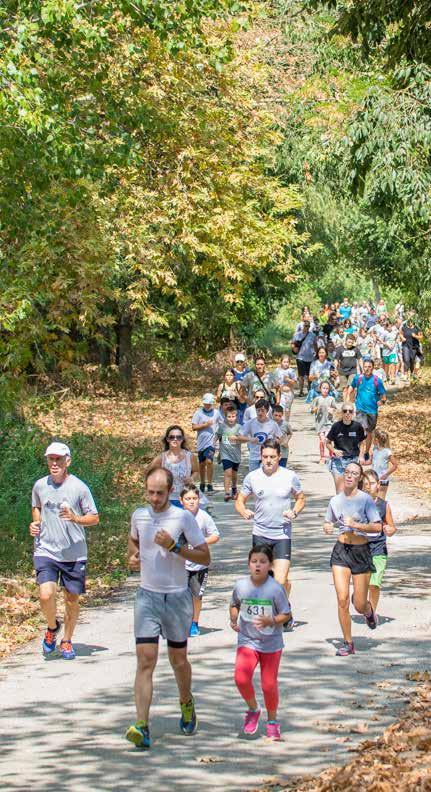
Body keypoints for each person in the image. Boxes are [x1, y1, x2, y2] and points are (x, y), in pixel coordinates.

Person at [126, 467, 210, 749]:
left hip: (176, 597)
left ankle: (186, 701)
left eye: (159, 493)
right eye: (149, 492)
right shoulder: (139, 515)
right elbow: (133, 544)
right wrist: (133, 557)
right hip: (147, 597)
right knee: (145, 660)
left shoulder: (182, 517)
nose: (154, 498)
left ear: (171, 491)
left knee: (177, 660)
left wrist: (175, 547)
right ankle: (142, 725)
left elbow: (204, 556)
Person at [29, 442, 99, 659]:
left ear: (68, 461)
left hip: (74, 553)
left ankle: (67, 640)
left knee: (71, 599)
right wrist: (35, 523)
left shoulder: (79, 487)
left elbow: (95, 517)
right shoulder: (40, 485)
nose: (55, 463)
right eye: (51, 459)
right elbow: (36, 507)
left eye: (59, 459)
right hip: (46, 550)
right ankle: (52, 628)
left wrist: (76, 518)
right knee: (45, 594)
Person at [235, 439, 305, 613]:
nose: (268, 460)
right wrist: (243, 510)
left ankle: (282, 607)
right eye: (265, 456)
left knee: (280, 581)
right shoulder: (253, 477)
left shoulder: (289, 476)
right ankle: (281, 607)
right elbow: (240, 500)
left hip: (282, 534)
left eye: (272, 457)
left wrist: (294, 512)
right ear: (260, 456)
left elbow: (301, 498)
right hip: (260, 533)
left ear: (279, 457)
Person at [230, 544, 292, 740]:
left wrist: (271, 621)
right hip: (247, 640)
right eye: (254, 562)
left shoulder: (275, 589)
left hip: (271, 643)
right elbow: (234, 604)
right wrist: (233, 619)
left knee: (268, 685)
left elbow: (286, 614)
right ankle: (253, 709)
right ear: (248, 564)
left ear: (270, 565)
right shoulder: (241, 585)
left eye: (263, 562)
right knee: (241, 678)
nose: (258, 566)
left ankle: (272, 721)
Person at [323, 462, 382, 656]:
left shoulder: (366, 500)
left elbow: (377, 527)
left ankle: (368, 611)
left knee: (358, 603)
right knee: (342, 599)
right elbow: (328, 521)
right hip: (341, 551)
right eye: (347, 472)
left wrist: (356, 524)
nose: (349, 476)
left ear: (359, 478)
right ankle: (348, 643)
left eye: (354, 473)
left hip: (360, 551)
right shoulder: (335, 500)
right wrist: (327, 526)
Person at [180, 484, 220, 637]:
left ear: (199, 500)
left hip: (199, 564)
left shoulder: (204, 517)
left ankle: (194, 623)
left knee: (196, 595)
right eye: (188, 499)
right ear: (181, 500)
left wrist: (201, 541)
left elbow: (215, 535)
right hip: (180, 564)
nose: (191, 502)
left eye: (194, 498)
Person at [362, 470, 397, 622]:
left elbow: (392, 527)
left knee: (374, 584)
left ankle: (372, 612)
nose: (369, 487)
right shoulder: (358, 504)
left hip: (378, 549)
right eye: (365, 484)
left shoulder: (384, 505)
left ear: (378, 485)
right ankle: (363, 604)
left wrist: (390, 530)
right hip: (361, 550)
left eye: (372, 483)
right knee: (363, 585)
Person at [147, 425, 199, 507]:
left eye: (178, 437)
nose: (175, 439)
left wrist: (191, 478)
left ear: (182, 439)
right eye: (172, 437)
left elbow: (196, 471)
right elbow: (149, 474)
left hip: (186, 499)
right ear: (167, 439)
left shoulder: (190, 457)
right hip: (167, 500)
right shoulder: (161, 458)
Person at [348, 360, 387, 459]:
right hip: (360, 409)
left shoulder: (377, 380)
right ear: (363, 367)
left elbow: (384, 396)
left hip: (372, 411)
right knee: (362, 430)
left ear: (373, 367)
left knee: (369, 432)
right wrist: (350, 401)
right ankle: (359, 451)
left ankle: (366, 452)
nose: (367, 368)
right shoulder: (358, 378)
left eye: (369, 366)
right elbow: (351, 389)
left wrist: (382, 401)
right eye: (365, 366)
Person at [326, 404, 366, 492]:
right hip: (339, 462)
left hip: (353, 461)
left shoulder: (358, 426)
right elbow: (328, 443)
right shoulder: (336, 426)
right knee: (340, 492)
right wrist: (334, 450)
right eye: (345, 411)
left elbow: (362, 443)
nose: (347, 413)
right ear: (342, 413)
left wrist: (361, 456)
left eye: (350, 411)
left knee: (353, 491)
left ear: (353, 414)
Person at [237, 399, 282, 472]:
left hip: (268, 457)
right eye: (258, 410)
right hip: (254, 457)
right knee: (254, 480)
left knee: (266, 478)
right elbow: (239, 436)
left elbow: (279, 438)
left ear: (267, 411)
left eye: (262, 410)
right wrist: (250, 439)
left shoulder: (273, 424)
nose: (260, 413)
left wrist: (273, 442)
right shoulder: (251, 423)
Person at [192, 393, 220, 495]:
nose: (207, 405)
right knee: (202, 463)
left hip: (211, 443)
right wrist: (205, 425)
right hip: (201, 442)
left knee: (209, 461)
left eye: (209, 403)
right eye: (206, 403)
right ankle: (202, 483)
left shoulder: (216, 413)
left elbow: (221, 424)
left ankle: (210, 484)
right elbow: (194, 427)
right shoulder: (198, 413)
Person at [216, 404, 242, 501]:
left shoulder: (239, 427)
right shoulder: (222, 427)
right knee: (228, 472)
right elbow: (217, 436)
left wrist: (237, 438)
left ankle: (234, 488)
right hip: (225, 454)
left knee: (234, 474)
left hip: (236, 454)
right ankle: (227, 493)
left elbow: (243, 439)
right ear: (225, 416)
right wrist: (212, 445)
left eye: (233, 416)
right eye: (229, 417)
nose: (231, 419)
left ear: (236, 416)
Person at [311, 381, 337, 463]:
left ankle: (331, 456)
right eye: (323, 388)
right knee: (322, 441)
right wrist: (314, 409)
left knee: (327, 440)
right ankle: (322, 457)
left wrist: (332, 410)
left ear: (329, 389)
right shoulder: (317, 399)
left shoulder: (331, 399)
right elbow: (311, 410)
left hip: (329, 423)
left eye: (327, 388)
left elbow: (336, 409)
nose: (325, 390)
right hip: (320, 424)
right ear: (320, 389)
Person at [369, 428, 398, 498]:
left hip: (383, 479)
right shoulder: (374, 450)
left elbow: (395, 465)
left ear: (376, 440)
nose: (372, 440)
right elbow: (370, 461)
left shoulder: (387, 452)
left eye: (373, 439)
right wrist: (362, 462)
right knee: (373, 498)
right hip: (374, 478)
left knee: (381, 499)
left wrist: (386, 474)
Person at [292, 320, 317, 396]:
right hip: (300, 357)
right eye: (305, 326)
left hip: (310, 357)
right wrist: (294, 350)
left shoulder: (312, 335)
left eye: (308, 326)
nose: (307, 327)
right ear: (302, 326)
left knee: (309, 375)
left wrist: (316, 354)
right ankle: (301, 391)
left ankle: (309, 389)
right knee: (301, 375)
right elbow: (293, 344)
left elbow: (315, 344)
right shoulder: (297, 335)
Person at [334, 335, 362, 402]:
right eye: (349, 342)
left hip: (352, 371)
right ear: (345, 341)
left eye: (352, 343)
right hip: (342, 371)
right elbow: (336, 359)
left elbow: (360, 359)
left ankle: (351, 403)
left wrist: (362, 369)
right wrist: (336, 368)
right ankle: (345, 404)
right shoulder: (339, 349)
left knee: (351, 388)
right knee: (345, 389)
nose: (350, 344)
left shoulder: (356, 349)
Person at [273, 354, 297, 420]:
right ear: (281, 362)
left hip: (289, 393)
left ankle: (286, 421)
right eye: (284, 362)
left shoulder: (291, 371)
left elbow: (295, 382)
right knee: (281, 407)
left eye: (287, 362)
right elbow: (274, 382)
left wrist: (288, 380)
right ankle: (280, 421)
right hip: (280, 392)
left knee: (287, 409)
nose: (286, 364)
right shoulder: (277, 371)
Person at [401, 318, 423, 382]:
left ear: (413, 322)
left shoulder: (417, 328)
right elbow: (400, 334)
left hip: (414, 347)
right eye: (409, 322)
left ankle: (412, 374)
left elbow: (421, 337)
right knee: (406, 359)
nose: (410, 323)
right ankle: (405, 374)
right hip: (405, 345)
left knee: (412, 360)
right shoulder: (404, 327)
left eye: (411, 322)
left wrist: (415, 336)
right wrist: (402, 338)